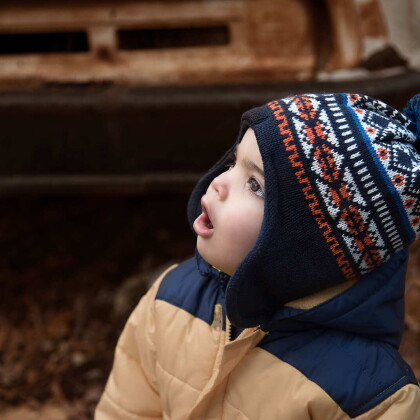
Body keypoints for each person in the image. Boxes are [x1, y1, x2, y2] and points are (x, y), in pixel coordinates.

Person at [95, 93, 420, 419]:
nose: (219, 182)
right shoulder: (170, 298)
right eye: (233, 163)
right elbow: (126, 410)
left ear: (304, 246)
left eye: (254, 184)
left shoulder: (370, 397)